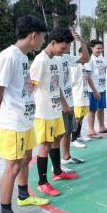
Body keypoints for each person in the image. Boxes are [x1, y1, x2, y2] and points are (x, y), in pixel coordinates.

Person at [0, 15, 49, 213]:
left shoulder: (23, 57)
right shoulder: (9, 56)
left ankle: (23, 195)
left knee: (26, 157)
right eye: (42, 38)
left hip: (25, 120)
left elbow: (21, 87)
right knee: (12, 167)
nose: (43, 42)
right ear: (33, 35)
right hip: (12, 121)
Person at [30, 27, 79, 197]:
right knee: (44, 146)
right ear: (52, 43)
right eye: (63, 48)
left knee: (56, 140)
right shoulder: (40, 61)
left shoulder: (54, 60)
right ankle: (42, 183)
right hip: (43, 112)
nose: (64, 51)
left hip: (56, 110)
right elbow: (30, 87)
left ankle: (57, 172)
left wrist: (65, 104)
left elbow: (56, 85)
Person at [57, 30, 89, 168]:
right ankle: (56, 165)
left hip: (69, 101)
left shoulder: (66, 57)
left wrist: (82, 42)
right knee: (57, 136)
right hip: (60, 104)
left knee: (68, 131)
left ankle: (66, 157)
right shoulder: (52, 59)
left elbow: (85, 59)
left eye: (70, 45)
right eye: (67, 45)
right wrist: (64, 104)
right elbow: (53, 85)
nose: (69, 47)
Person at [70, 46, 93, 148]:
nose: (88, 57)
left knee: (82, 117)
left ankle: (78, 135)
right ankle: (73, 139)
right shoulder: (75, 66)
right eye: (87, 55)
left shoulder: (84, 66)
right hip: (77, 98)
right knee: (77, 118)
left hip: (84, 96)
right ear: (80, 54)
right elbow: (71, 83)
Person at [87, 40, 107, 137]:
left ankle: (102, 127)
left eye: (101, 48)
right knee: (92, 110)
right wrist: (95, 91)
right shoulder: (89, 59)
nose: (100, 50)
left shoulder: (102, 58)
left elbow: (105, 70)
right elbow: (87, 77)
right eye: (98, 48)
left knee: (101, 108)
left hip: (102, 88)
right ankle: (91, 131)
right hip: (93, 90)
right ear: (92, 48)